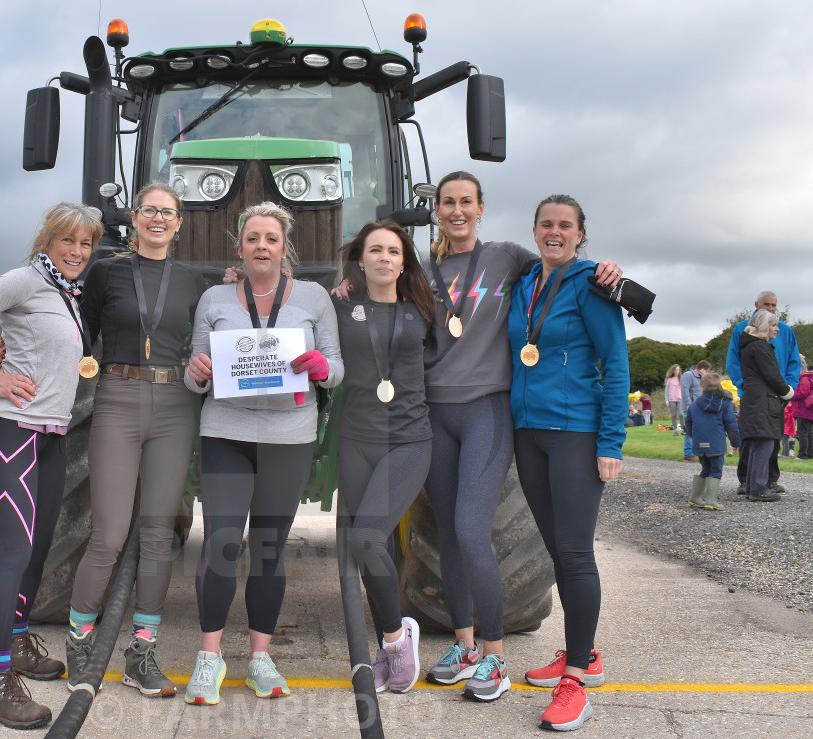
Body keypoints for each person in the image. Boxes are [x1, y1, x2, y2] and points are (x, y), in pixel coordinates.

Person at [334, 171, 622, 702]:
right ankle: (464, 645)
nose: (457, 210)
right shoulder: (421, 272)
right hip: (433, 415)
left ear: (482, 208)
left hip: (487, 410)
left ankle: (495, 656)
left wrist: (604, 271)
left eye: (467, 201)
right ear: (437, 211)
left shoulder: (510, 258)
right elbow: (379, 301)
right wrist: (346, 285)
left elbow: (560, 270)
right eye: (448, 203)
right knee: (446, 534)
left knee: (471, 529)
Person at [0, 202, 104, 730]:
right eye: (67, 242)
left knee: (40, 543)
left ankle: (18, 641)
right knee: (11, 551)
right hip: (11, 429)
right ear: (46, 242)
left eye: (86, 244)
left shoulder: (65, 293)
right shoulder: (25, 280)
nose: (77, 252)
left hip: (51, 433)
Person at [183, 202, 343, 705]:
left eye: (270, 239)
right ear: (240, 247)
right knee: (222, 544)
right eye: (252, 238)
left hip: (289, 439)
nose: (261, 247)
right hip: (225, 434)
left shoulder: (315, 299)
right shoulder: (214, 298)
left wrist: (321, 367)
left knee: (270, 550)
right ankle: (209, 659)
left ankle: (260, 658)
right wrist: (200, 371)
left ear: (283, 246)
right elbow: (193, 373)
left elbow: (337, 368)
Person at [63, 182, 206, 698]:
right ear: (135, 217)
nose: (158, 220)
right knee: (109, 535)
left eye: (167, 213)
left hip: (173, 406)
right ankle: (80, 642)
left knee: (157, 536)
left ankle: (141, 652)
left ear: (179, 222)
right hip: (118, 398)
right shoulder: (106, 271)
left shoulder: (194, 280)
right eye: (149, 211)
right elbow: (80, 329)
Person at [508, 194, 628, 732]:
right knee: (558, 550)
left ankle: (576, 681)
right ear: (534, 230)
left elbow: (616, 362)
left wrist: (612, 442)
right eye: (546, 224)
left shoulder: (593, 284)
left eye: (566, 226)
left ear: (581, 234)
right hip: (528, 432)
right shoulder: (524, 282)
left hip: (576, 433)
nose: (555, 232)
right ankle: (584, 652)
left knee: (576, 554)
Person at [332, 221, 435, 694]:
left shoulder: (424, 310)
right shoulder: (339, 305)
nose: (384, 258)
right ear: (361, 258)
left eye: (394, 251)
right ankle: (386, 644)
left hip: (408, 440)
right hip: (355, 438)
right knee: (375, 547)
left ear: (404, 261)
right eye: (375, 250)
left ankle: (397, 639)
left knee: (368, 538)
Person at [726, 291, 800, 494]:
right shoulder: (744, 331)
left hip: (778, 393)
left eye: (774, 305)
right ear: (756, 305)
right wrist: (743, 384)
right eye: (766, 304)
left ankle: (769, 479)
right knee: (754, 438)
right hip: (758, 392)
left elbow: (794, 361)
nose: (770, 308)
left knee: (772, 438)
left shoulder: (785, 330)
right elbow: (733, 361)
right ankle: (748, 481)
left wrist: (789, 388)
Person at [736, 310, 794, 502]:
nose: (777, 329)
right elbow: (772, 376)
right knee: (765, 442)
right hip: (763, 401)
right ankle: (759, 487)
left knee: (757, 444)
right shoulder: (760, 347)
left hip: (754, 399)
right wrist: (788, 392)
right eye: (773, 325)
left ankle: (753, 486)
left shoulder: (750, 347)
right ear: (763, 326)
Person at [684, 372, 740, 510]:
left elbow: (688, 425)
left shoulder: (694, 405)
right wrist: (735, 442)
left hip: (699, 444)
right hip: (716, 444)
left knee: (705, 469)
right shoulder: (725, 404)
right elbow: (731, 424)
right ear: (719, 387)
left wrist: (695, 438)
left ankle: (695, 497)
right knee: (715, 470)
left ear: (702, 388)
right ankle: (711, 500)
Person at [680, 360, 710, 461]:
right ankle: (688, 453)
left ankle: (700, 452)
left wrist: (705, 378)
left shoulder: (702, 378)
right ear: (702, 369)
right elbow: (685, 390)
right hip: (691, 407)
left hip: (701, 407)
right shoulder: (688, 375)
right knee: (690, 430)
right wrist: (688, 405)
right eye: (707, 371)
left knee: (701, 430)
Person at [791, 355, 813, 459]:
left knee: (802, 432)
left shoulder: (804, 378)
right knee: (810, 432)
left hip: (803, 409)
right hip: (811, 409)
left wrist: (792, 395)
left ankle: (803, 454)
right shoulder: (810, 377)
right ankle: (811, 453)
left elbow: (802, 392)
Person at [665, 365, 683, 434]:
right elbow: (666, 391)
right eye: (675, 370)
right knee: (674, 415)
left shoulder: (681, 379)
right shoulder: (669, 380)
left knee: (681, 414)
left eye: (678, 370)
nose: (676, 371)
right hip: (672, 399)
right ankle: (675, 430)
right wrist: (667, 400)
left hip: (680, 399)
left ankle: (682, 429)